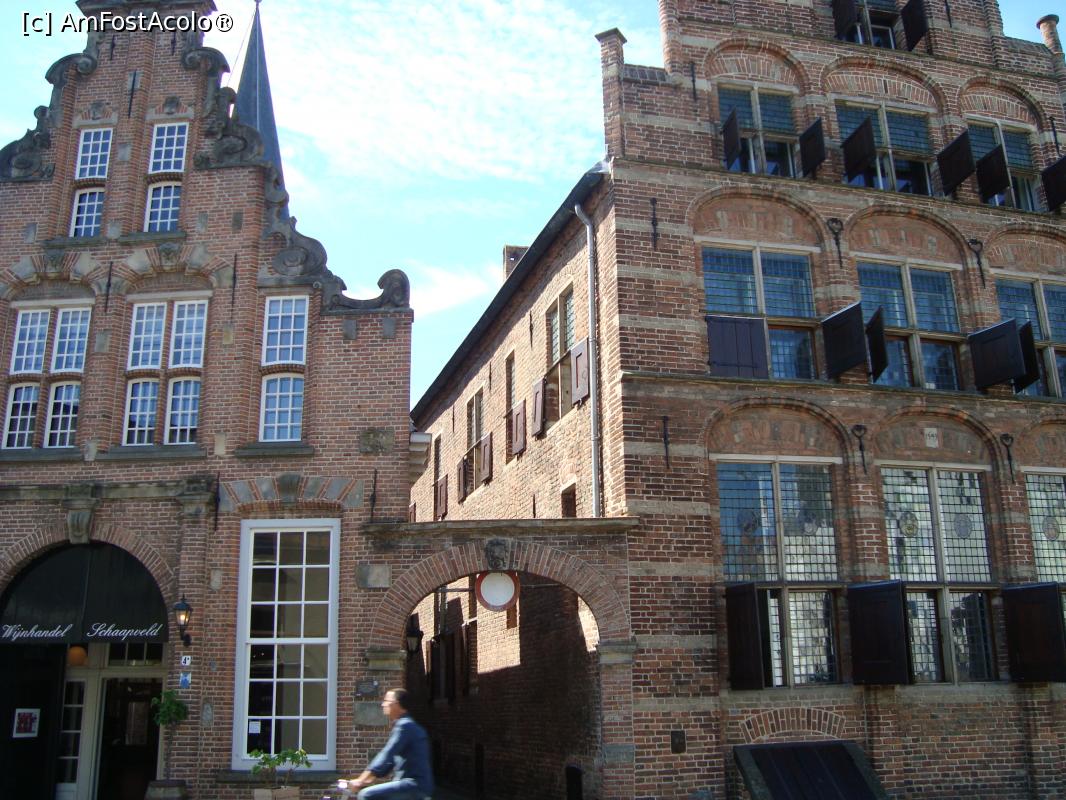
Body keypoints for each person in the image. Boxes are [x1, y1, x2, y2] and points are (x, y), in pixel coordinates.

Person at [349, 688, 434, 800]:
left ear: (396, 704)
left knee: (366, 795)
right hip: (413, 784)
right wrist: (368, 779)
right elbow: (390, 761)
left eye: (386, 701)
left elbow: (387, 754)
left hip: (414, 785)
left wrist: (361, 780)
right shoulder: (406, 725)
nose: (383, 704)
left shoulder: (405, 726)